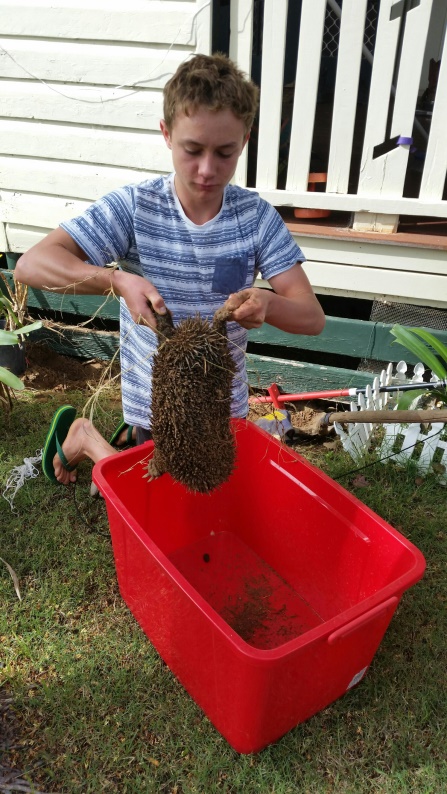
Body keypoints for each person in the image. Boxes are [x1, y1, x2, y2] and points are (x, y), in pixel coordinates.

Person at [15, 52, 325, 487]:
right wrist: (116, 279)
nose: (206, 170)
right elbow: (32, 265)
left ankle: (114, 445)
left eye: (225, 153)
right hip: (156, 402)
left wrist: (270, 304)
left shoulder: (256, 219)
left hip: (222, 401)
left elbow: (311, 317)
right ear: (166, 134)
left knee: (212, 494)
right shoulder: (136, 208)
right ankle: (88, 437)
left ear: (245, 141)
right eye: (192, 149)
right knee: (155, 503)